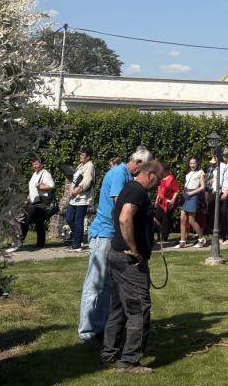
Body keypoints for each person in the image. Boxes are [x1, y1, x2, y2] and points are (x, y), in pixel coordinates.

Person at [78, 147, 152, 344]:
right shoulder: (120, 173)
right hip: (104, 234)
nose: (144, 173)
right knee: (95, 283)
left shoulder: (125, 175)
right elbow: (120, 205)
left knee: (109, 286)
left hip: (110, 234)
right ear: (137, 163)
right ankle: (86, 331)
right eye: (143, 168)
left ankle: (100, 327)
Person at [101, 160, 163, 375]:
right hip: (129, 261)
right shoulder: (137, 191)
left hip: (116, 256)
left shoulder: (128, 187)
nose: (158, 185)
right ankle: (129, 362)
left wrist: (148, 221)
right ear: (151, 175)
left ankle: (109, 354)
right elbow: (124, 217)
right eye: (159, 180)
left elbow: (125, 216)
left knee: (118, 308)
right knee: (139, 310)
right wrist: (135, 250)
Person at [16, 156, 55, 250]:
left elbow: (52, 186)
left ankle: (20, 241)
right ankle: (40, 243)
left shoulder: (45, 174)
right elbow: (33, 186)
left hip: (41, 201)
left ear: (41, 164)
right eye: (33, 164)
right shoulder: (35, 174)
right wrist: (29, 196)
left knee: (25, 218)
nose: (34, 165)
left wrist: (40, 188)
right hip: (33, 200)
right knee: (39, 221)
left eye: (36, 164)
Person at [65, 148, 95, 251]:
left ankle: (77, 244)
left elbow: (86, 182)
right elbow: (74, 180)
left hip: (82, 198)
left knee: (78, 220)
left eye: (83, 155)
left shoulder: (89, 166)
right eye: (80, 155)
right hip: (74, 198)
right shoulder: (80, 166)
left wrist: (75, 191)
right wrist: (70, 190)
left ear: (88, 157)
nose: (80, 156)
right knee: (69, 218)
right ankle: (78, 236)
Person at [176, 157, 205, 248]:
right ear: (189, 164)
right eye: (191, 163)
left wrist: (192, 193)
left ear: (197, 164)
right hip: (185, 195)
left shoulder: (200, 172)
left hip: (193, 196)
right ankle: (182, 241)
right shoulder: (188, 174)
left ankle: (201, 239)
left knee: (191, 220)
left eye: (194, 163)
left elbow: (202, 187)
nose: (192, 165)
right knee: (182, 219)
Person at [154, 166, 180, 243]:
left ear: (167, 171)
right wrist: (156, 200)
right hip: (160, 202)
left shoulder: (171, 179)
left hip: (168, 202)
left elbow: (177, 190)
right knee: (157, 218)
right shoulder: (162, 179)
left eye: (163, 171)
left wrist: (173, 200)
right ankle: (158, 237)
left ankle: (164, 238)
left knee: (166, 219)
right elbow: (159, 190)